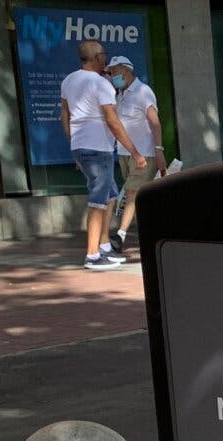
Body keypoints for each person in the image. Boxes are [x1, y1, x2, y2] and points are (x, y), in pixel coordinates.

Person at [60, 40, 146, 270]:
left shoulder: (69, 81)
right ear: (98, 58)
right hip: (99, 148)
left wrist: (75, 149)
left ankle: (105, 247)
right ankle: (92, 255)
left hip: (82, 145)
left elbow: (65, 117)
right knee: (98, 200)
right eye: (104, 56)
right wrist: (135, 152)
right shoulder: (101, 85)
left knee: (110, 196)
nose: (106, 61)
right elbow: (112, 121)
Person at [105, 56, 166, 255]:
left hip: (143, 155)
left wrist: (159, 151)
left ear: (127, 70)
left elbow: (155, 123)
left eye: (115, 71)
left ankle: (120, 235)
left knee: (131, 193)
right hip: (124, 154)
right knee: (138, 196)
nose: (112, 76)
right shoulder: (119, 95)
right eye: (110, 72)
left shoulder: (143, 92)